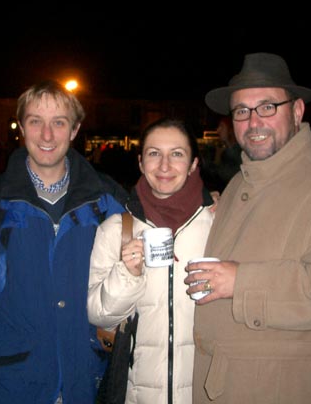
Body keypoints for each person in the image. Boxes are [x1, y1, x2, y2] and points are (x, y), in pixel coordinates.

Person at [185, 52, 311, 403]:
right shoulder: (238, 186)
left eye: (267, 107)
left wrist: (241, 281)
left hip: (285, 388)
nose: (253, 121)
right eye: (242, 111)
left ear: (296, 111)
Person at [0, 79, 128, 404]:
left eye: (58, 123)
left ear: (74, 130)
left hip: (86, 379)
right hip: (9, 383)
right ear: (22, 127)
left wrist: (203, 202)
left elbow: (157, 229)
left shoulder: (107, 200)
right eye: (36, 122)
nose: (47, 136)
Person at [88, 117, 217, 403]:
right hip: (138, 392)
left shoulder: (219, 224)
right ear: (140, 162)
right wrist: (128, 274)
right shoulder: (116, 229)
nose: (164, 166)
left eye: (177, 154)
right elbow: (97, 314)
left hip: (207, 390)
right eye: (154, 154)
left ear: (194, 164)